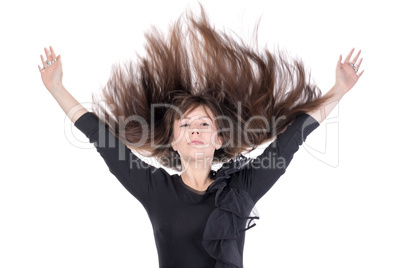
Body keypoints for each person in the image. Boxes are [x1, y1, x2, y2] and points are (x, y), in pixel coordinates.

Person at [38, 6, 363, 268]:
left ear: (218, 140)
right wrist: (56, 88)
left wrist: (338, 90)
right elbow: (102, 139)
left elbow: (290, 140)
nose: (195, 129)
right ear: (173, 139)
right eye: (185, 124)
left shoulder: (241, 189)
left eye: (205, 124)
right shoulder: (155, 189)